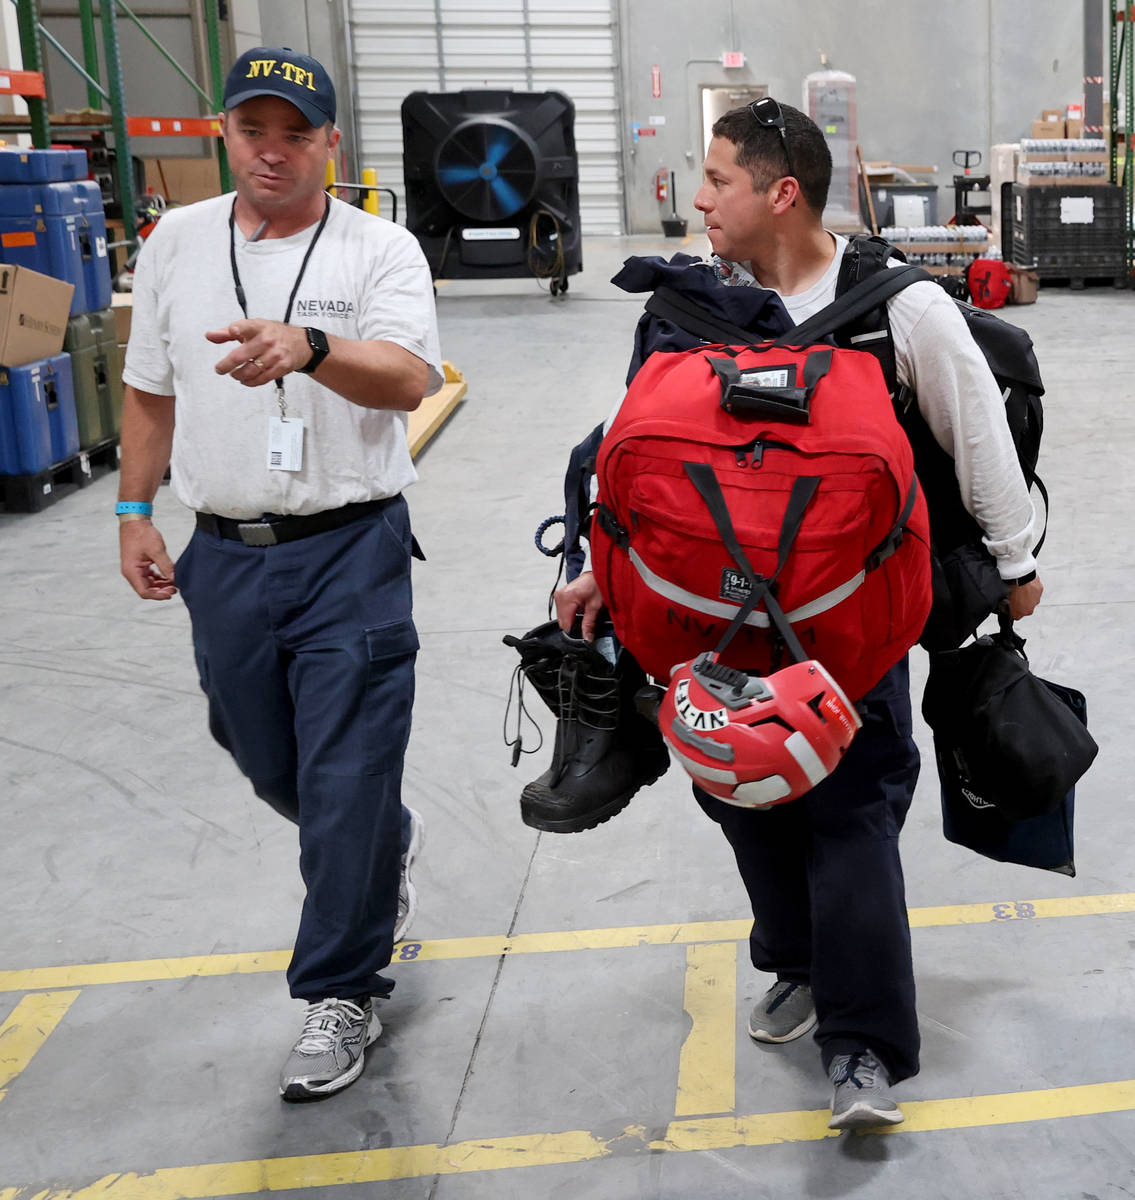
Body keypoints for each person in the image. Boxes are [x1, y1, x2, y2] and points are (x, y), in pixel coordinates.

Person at [553, 99, 1043, 1130]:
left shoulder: (894, 309)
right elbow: (636, 448)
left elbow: (978, 437)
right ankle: (795, 955)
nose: (698, 197)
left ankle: (863, 1044)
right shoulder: (693, 305)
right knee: (736, 791)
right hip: (710, 622)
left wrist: (1012, 565)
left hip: (848, 618)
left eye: (718, 178)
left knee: (850, 810)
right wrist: (603, 565)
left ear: (782, 194)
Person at [117, 45, 443, 1103]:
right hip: (225, 554)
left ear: (329, 144)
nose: (272, 149)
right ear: (226, 134)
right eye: (253, 128)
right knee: (266, 757)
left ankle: (339, 990)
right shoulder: (174, 241)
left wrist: (308, 345)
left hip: (350, 550)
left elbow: (408, 379)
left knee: (345, 778)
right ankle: (382, 846)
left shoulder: (378, 250)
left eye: (294, 131)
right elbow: (149, 388)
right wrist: (133, 509)